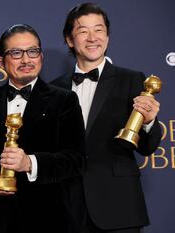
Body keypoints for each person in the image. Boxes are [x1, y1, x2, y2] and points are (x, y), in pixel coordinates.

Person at [0, 24, 86, 233]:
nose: (26, 60)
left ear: (41, 56)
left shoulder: (64, 100)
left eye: (33, 51)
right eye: (16, 53)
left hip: (50, 220)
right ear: (1, 62)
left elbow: (76, 160)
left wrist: (30, 162)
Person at [50, 3, 162, 233]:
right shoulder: (53, 90)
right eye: (83, 31)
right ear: (70, 40)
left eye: (99, 30)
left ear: (108, 37)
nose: (92, 38)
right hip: (68, 210)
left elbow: (148, 147)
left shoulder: (132, 80)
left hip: (119, 207)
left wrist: (150, 122)